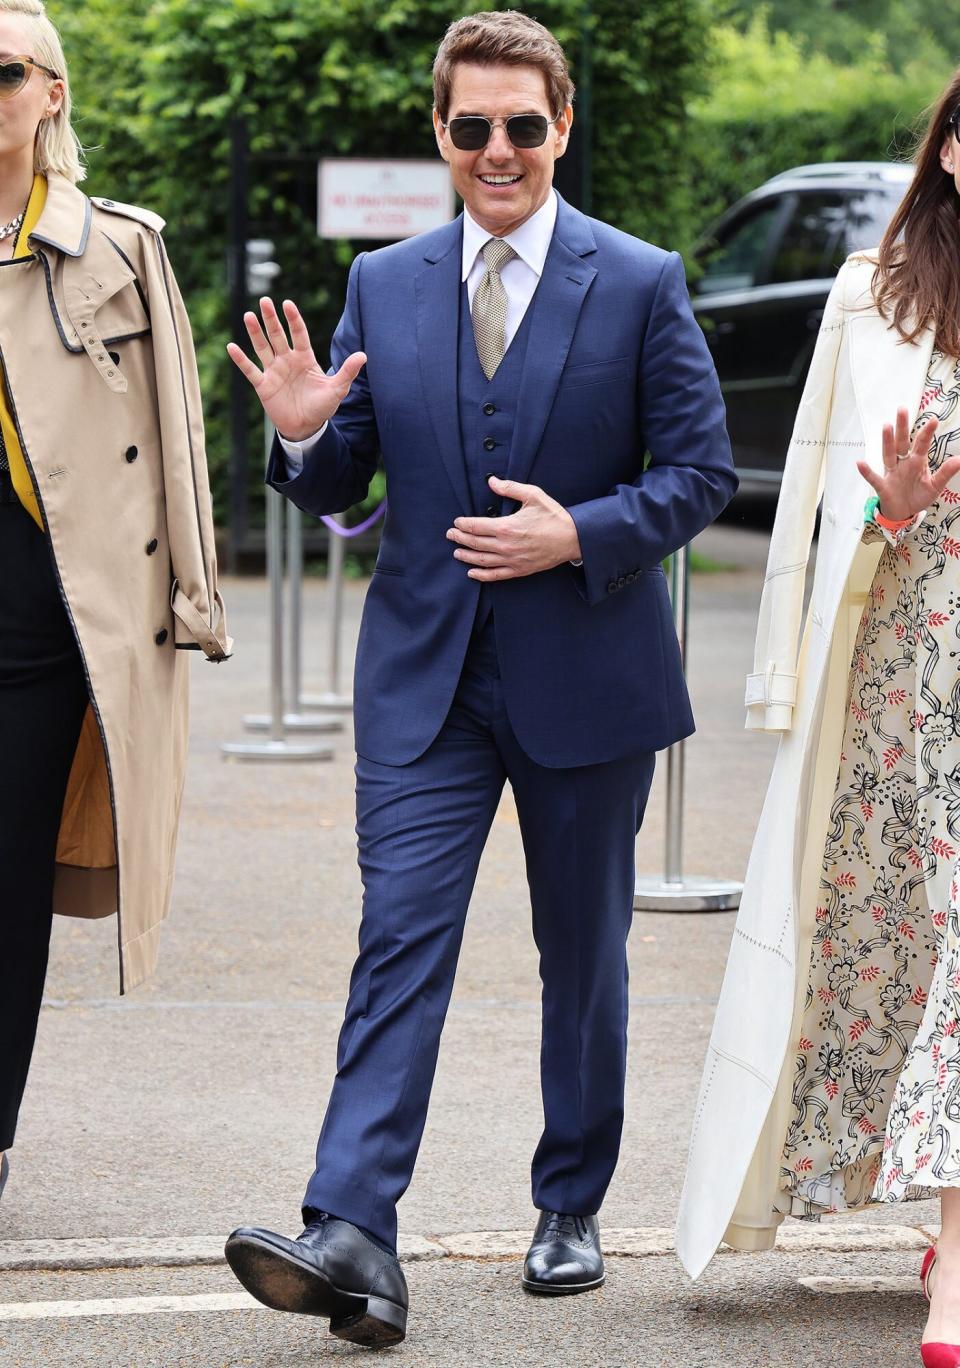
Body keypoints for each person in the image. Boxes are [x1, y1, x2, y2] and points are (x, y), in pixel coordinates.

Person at [224, 9, 735, 1349]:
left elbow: (699, 476)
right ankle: (352, 1230)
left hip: (591, 679)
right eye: (472, 127)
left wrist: (583, 531)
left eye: (522, 124)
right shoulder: (384, 285)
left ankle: (570, 1203)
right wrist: (299, 442)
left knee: (585, 957)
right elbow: (349, 480)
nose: (496, 148)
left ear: (561, 128)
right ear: (442, 136)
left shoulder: (638, 280)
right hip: (424, 685)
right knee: (401, 934)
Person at [677, 66, 960, 1368]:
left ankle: (954, 1260)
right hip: (909, 679)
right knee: (920, 942)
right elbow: (813, 520)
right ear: (948, 156)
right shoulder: (871, 302)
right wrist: (890, 507)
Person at [0, 0, 229, 1208]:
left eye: (1, 72)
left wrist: (191, 594)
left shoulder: (115, 245)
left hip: (46, 610)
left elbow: (174, 436)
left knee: (5, 884)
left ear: (52, 94)